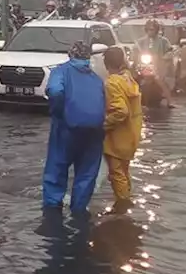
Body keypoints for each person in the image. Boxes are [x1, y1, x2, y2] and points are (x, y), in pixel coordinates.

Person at [42, 41, 106, 213]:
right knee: (86, 174)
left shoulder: (61, 71)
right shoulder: (97, 78)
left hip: (66, 129)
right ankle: (79, 210)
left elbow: (55, 92)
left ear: (70, 55)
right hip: (94, 132)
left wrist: (57, 112)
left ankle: (53, 211)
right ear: (88, 57)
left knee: (57, 169)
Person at [102, 47, 143, 208]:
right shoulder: (128, 79)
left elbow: (121, 111)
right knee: (124, 173)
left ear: (106, 63)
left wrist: (103, 125)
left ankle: (122, 206)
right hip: (131, 134)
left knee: (117, 175)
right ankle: (127, 201)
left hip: (117, 138)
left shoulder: (112, 82)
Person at [135, 18, 175, 108]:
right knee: (135, 79)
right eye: (148, 29)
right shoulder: (141, 41)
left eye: (152, 29)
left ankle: (170, 101)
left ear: (156, 30)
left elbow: (170, 50)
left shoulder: (163, 41)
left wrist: (165, 56)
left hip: (159, 65)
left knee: (160, 81)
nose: (150, 32)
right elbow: (136, 49)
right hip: (145, 65)